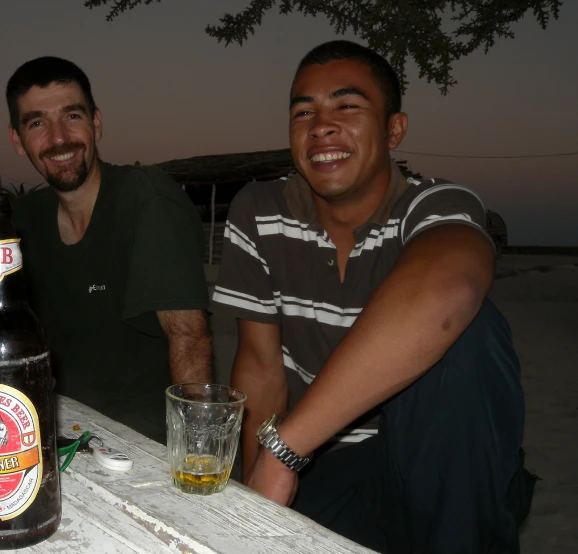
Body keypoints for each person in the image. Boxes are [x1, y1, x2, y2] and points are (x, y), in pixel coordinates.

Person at [210, 40, 535, 553]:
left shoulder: (436, 205)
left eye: (347, 106)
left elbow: (449, 286)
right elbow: (260, 368)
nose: (321, 126)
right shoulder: (259, 210)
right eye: (303, 112)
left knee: (473, 330)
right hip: (322, 462)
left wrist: (283, 451)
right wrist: (252, 502)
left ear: (394, 129)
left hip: (432, 454)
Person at [6, 56, 212, 443]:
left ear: (96, 123)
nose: (59, 138)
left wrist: (193, 452)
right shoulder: (21, 220)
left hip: (146, 440)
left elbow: (190, 337)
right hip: (57, 431)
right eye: (37, 123)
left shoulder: (146, 199)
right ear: (17, 140)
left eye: (72, 116)